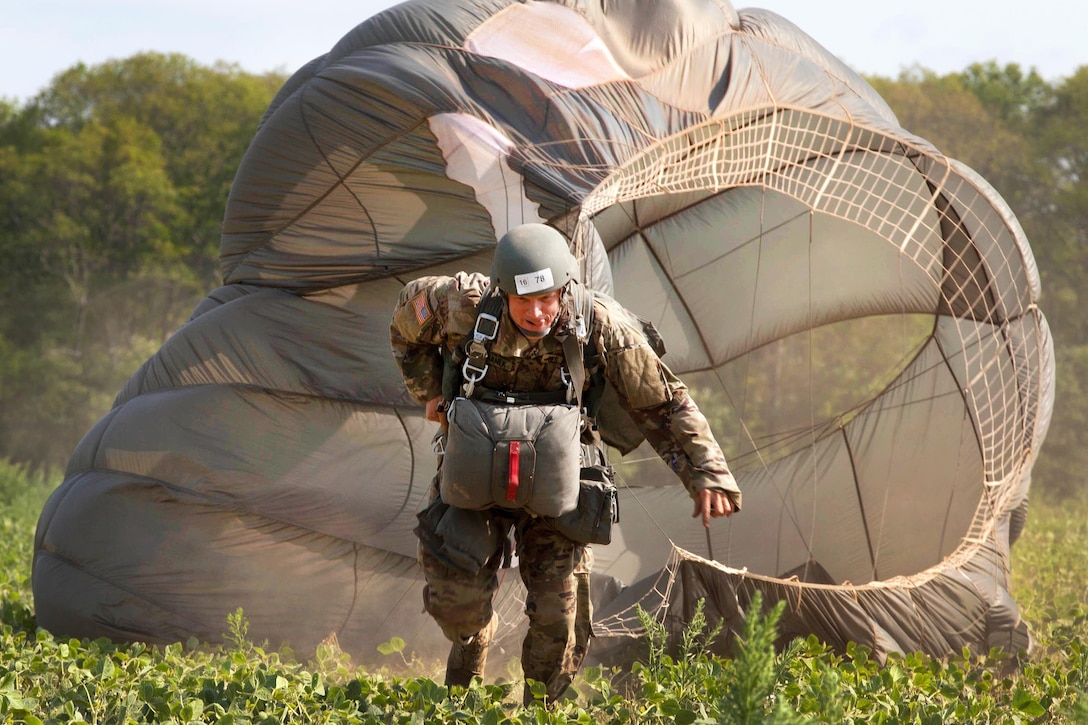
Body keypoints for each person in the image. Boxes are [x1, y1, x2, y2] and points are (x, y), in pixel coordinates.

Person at [389, 222, 741, 705]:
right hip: (473, 474)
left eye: (548, 299)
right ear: (502, 291)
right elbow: (403, 326)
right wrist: (428, 391)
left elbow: (663, 402)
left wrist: (707, 473)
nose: (536, 314)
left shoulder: (597, 322)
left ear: (566, 289)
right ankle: (467, 674)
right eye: (523, 302)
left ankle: (541, 710)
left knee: (559, 619)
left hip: (560, 479)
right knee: (457, 606)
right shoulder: (461, 305)